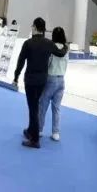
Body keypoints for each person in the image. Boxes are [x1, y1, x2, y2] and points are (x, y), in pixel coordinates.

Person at [13, 17, 67, 149]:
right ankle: (31, 130)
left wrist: (16, 77)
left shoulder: (28, 43)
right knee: (36, 106)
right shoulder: (49, 43)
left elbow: (20, 62)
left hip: (30, 80)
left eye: (32, 26)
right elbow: (60, 53)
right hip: (43, 80)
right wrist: (66, 46)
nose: (31, 28)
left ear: (35, 28)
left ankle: (35, 139)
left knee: (33, 108)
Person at [37, 27, 69, 142]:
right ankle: (56, 133)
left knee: (43, 105)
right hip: (61, 79)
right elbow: (66, 63)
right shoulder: (66, 49)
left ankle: (39, 130)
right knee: (56, 108)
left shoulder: (51, 47)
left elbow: (48, 63)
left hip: (50, 78)